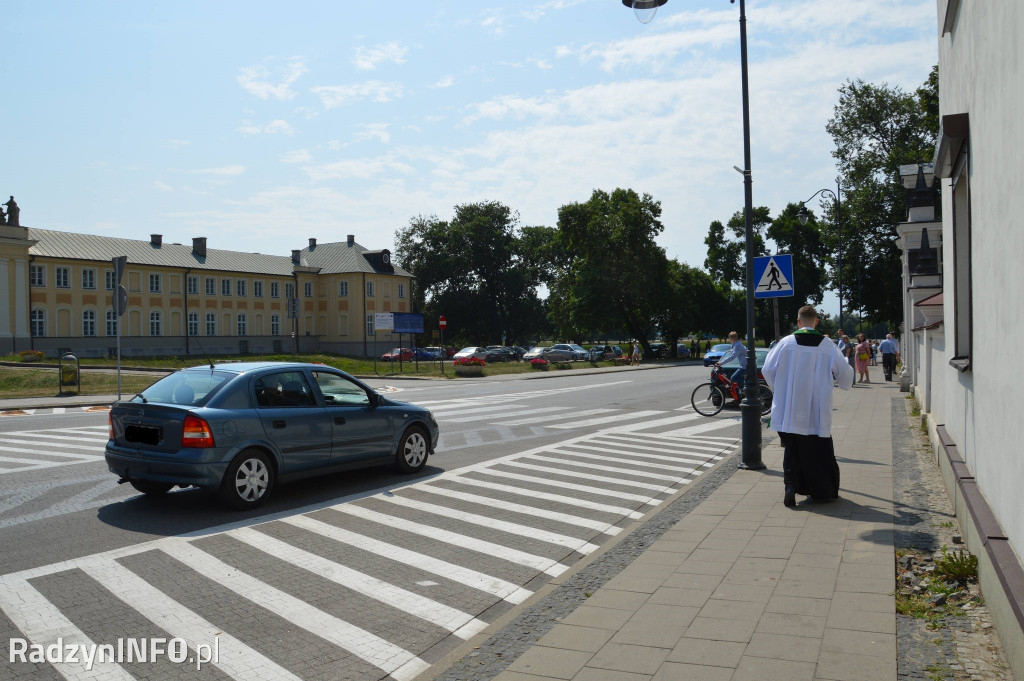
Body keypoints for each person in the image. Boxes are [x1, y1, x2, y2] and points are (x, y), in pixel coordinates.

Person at [763, 305, 854, 506]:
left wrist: (780, 391)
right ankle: (821, 491)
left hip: (790, 410)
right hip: (816, 410)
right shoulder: (827, 345)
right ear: (816, 322)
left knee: (792, 449)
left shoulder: (785, 343)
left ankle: (790, 487)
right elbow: (845, 376)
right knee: (818, 450)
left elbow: (767, 370)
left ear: (798, 322)